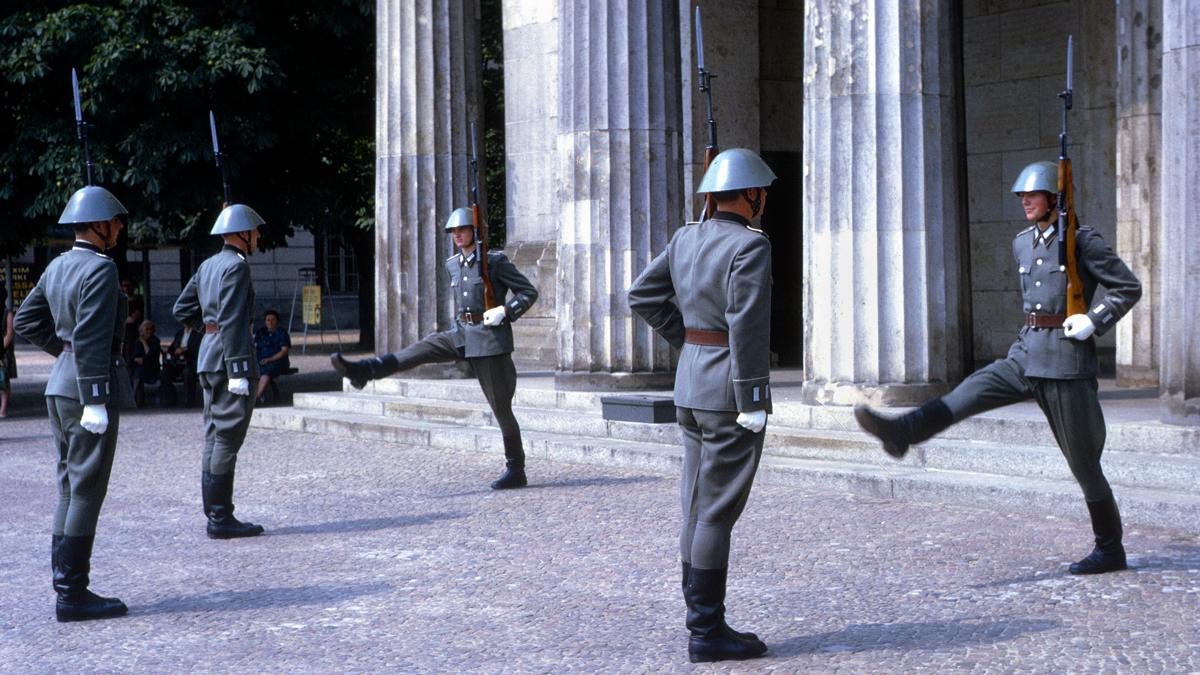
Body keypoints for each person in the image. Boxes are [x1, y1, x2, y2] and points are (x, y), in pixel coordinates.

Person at [855, 160, 1142, 576]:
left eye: (1033, 195)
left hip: (1065, 363)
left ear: (1055, 199)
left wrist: (1094, 320)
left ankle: (1110, 548)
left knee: (1084, 464)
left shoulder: (1082, 241)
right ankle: (904, 431)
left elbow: (1127, 287)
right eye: (1022, 196)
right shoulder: (1023, 242)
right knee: (969, 391)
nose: (1025, 201)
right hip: (1025, 353)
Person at [628, 148, 776, 663]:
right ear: (752, 194)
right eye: (764, 194)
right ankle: (707, 632)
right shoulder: (749, 247)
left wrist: (690, 342)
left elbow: (642, 296)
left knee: (694, 507)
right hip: (729, 392)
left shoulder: (685, 237)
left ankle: (702, 621)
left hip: (690, 387)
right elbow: (748, 325)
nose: (764, 202)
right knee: (714, 512)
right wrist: (754, 395)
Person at [331, 207, 539, 490]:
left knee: (502, 410)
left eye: (462, 230)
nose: (457, 235)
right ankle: (367, 370)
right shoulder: (454, 263)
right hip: (462, 333)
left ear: (475, 232)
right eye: (453, 231)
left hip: (490, 342)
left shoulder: (495, 262)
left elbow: (529, 292)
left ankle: (516, 469)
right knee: (424, 347)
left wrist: (505, 310)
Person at [13, 185, 134, 621]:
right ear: (100, 225)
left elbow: (26, 319)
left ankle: (65, 585)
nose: (120, 227)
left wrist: (63, 355)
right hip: (86, 391)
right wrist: (95, 396)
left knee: (68, 485)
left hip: (60, 385)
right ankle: (72, 594)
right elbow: (92, 337)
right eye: (116, 221)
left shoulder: (58, 265)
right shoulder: (100, 270)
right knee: (86, 489)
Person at [173, 203, 266, 539]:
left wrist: (207, 330)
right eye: (255, 232)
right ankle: (220, 518)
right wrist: (239, 369)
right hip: (229, 361)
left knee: (214, 436)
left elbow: (182, 308)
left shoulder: (209, 264)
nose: (258, 237)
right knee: (226, 438)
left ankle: (215, 514)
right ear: (242, 234)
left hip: (208, 358)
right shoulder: (237, 268)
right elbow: (233, 319)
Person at [161, 321, 203, 407]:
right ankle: (171, 400)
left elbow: (199, 348)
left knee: (188, 373)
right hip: (177, 362)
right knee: (164, 373)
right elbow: (172, 348)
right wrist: (172, 351)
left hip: (190, 362)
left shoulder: (198, 334)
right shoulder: (180, 333)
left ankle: (189, 402)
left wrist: (185, 349)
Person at [253, 309, 291, 404]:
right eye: (268, 320)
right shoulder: (261, 332)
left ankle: (257, 396)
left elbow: (284, 350)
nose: (270, 322)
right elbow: (254, 346)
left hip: (277, 360)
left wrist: (270, 359)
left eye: (273, 319)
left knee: (267, 370)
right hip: (261, 359)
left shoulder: (282, 333)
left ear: (277, 321)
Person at [130, 319, 162, 408]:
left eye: (150, 329)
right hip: (139, 367)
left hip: (151, 368)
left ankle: (133, 397)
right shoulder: (137, 342)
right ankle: (137, 399)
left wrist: (144, 342)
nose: (148, 331)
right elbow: (133, 356)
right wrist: (137, 359)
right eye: (146, 329)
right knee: (137, 372)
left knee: (139, 372)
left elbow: (150, 354)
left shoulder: (155, 341)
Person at [120, 277, 143, 364]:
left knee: (130, 350)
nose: (126, 288)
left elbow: (133, 319)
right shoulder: (120, 301)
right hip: (122, 331)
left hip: (132, 331)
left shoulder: (137, 301)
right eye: (124, 286)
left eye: (128, 285)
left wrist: (122, 318)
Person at [1, 281, 14, 419]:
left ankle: (3, 409)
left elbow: (9, 333)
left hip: (3, 351)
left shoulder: (7, 312)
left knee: (3, 381)